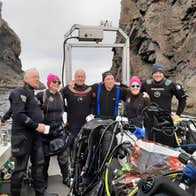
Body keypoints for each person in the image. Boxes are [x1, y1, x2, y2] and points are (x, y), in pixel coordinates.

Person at [9, 68, 57, 196]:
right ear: (26, 78)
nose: (37, 79)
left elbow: (12, 110)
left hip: (35, 137)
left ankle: (40, 193)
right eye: (34, 76)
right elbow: (19, 115)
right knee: (19, 170)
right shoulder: (18, 93)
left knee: (38, 165)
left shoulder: (32, 95)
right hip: (22, 137)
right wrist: (36, 126)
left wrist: (3, 119)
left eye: (38, 76)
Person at [36, 74, 68, 187]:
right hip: (45, 132)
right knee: (45, 159)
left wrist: (65, 121)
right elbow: (32, 111)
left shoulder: (60, 95)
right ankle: (44, 180)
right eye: (54, 82)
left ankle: (66, 178)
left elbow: (65, 110)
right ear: (49, 83)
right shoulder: (41, 95)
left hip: (59, 130)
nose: (57, 84)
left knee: (63, 157)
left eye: (58, 82)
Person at [61, 68, 94, 141]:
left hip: (87, 123)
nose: (80, 78)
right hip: (73, 124)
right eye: (78, 76)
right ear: (74, 77)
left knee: (86, 145)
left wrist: (92, 113)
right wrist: (66, 110)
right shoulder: (68, 89)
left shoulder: (89, 89)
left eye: (82, 76)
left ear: (85, 78)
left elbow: (93, 104)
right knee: (73, 145)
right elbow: (58, 97)